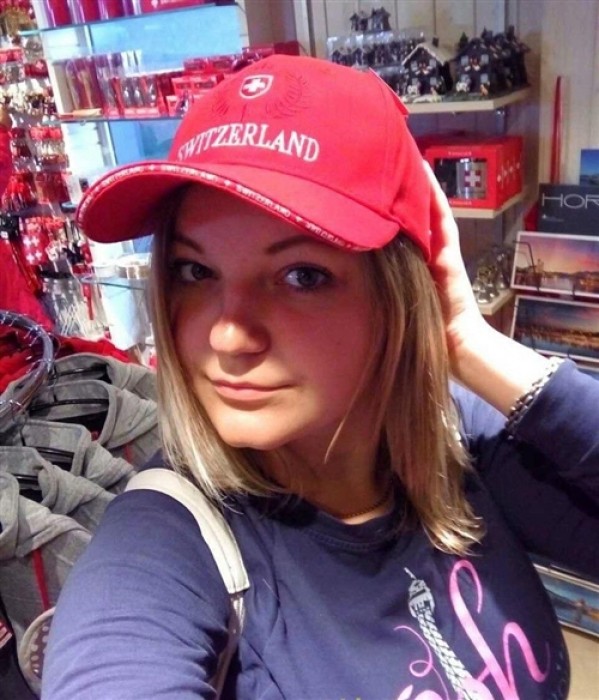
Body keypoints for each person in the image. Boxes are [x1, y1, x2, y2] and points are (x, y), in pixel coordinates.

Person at [41, 55, 598, 699]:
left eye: (302, 276)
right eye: (196, 271)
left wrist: (469, 343)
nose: (227, 336)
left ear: (399, 293)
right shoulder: (166, 539)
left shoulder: (454, 435)